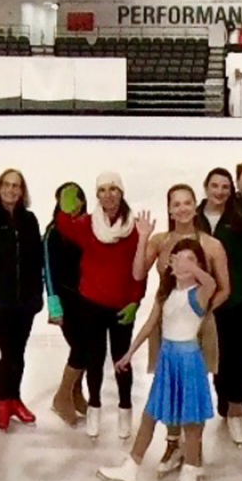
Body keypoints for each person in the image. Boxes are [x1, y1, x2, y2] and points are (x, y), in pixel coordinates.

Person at [98, 238, 218, 481]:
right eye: (179, 259)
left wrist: (193, 268)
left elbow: (212, 283)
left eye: (191, 260)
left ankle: (190, 471)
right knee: (151, 415)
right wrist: (129, 353)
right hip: (168, 359)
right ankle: (131, 466)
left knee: (192, 422)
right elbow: (151, 324)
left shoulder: (199, 292)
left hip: (188, 361)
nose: (184, 265)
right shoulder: (165, 294)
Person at [137, 185, 230, 469]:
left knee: (191, 388)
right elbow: (138, 273)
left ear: (194, 205)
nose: (182, 209)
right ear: (169, 209)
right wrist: (142, 239)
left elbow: (224, 289)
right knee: (169, 383)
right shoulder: (160, 241)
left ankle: (193, 451)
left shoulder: (212, 245)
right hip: (166, 326)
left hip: (197, 327)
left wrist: (198, 312)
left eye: (187, 203)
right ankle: (172, 444)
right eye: (176, 204)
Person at [54, 172, 147, 438]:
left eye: (113, 189)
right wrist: (64, 208)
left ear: (121, 192)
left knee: (122, 361)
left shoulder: (134, 227)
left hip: (121, 307)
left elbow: (139, 270)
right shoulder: (88, 225)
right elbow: (64, 227)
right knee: (94, 360)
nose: (108, 194)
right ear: (97, 195)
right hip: (91, 305)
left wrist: (135, 301)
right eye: (103, 190)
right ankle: (94, 406)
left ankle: (125, 408)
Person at [202, 168, 242, 445]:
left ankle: (236, 406)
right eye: (214, 186)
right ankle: (223, 400)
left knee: (237, 354)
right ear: (206, 187)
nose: (219, 191)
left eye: (225, 187)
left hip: (238, 297)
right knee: (216, 354)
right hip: (204, 299)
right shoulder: (194, 214)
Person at [0, 169, 44, 432]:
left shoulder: (29, 220)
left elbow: (37, 258)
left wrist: (37, 294)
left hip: (25, 301)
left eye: (16, 186)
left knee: (18, 353)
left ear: (22, 190)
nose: (11, 190)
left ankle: (14, 398)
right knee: (10, 353)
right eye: (6, 185)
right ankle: (2, 400)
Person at [44, 182, 89, 423]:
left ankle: (75, 391)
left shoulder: (89, 227)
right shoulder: (53, 232)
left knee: (85, 349)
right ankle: (61, 397)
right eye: (66, 199)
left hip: (88, 300)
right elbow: (48, 271)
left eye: (76, 198)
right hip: (66, 302)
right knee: (81, 349)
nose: (72, 203)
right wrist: (54, 307)